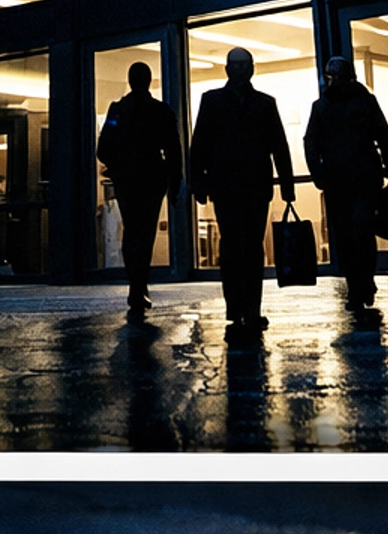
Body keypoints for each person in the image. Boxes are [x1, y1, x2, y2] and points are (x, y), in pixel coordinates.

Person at [188, 47, 295, 342]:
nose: (239, 72)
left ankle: (239, 307)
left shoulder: (214, 101)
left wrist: (199, 182)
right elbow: (278, 145)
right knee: (246, 246)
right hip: (248, 185)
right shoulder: (261, 103)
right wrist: (286, 184)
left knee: (237, 246)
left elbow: (200, 145)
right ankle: (247, 307)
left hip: (233, 186)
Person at [303, 54, 388, 325]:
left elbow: (311, 141)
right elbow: (383, 134)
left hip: (349, 177)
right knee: (354, 234)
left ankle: (360, 285)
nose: (336, 81)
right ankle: (360, 284)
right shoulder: (355, 103)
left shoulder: (326, 106)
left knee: (355, 232)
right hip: (352, 176)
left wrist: (319, 172)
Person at [96, 61, 182, 320]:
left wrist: (118, 165)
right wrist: (175, 181)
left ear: (130, 81)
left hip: (126, 178)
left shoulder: (117, 111)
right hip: (153, 178)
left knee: (132, 231)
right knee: (146, 231)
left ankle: (135, 285)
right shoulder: (161, 111)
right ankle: (140, 284)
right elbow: (174, 149)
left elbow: (103, 148)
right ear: (149, 80)